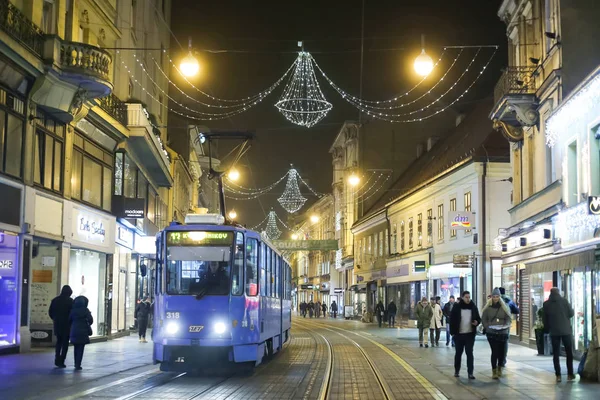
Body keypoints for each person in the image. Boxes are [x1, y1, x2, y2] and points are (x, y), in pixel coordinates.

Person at [543, 287, 575, 383]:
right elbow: (571, 313)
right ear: (558, 292)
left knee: (556, 354)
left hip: (554, 332)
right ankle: (570, 374)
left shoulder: (546, 304)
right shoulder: (564, 301)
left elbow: (545, 319)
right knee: (569, 352)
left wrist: (547, 329)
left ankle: (558, 375)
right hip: (566, 331)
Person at [481, 288, 512, 379]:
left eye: (497, 296)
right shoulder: (488, 307)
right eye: (494, 296)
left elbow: (508, 318)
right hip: (491, 332)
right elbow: (484, 318)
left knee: (502, 352)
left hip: (503, 332)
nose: (495, 298)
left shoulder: (505, 306)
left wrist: (505, 326)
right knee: (494, 351)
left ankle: (500, 368)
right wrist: (487, 327)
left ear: (500, 297)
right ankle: (494, 371)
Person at [450, 291, 481, 379]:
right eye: (466, 297)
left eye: (469, 297)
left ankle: (470, 372)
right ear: (462, 297)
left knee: (469, 353)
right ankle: (457, 370)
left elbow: (478, 318)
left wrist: (477, 322)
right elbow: (452, 319)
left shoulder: (473, 307)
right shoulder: (457, 307)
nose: (468, 299)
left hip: (470, 335)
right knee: (458, 353)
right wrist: (453, 333)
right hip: (459, 335)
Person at [48, 285, 73, 368]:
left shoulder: (55, 300)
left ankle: (57, 358)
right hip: (67, 324)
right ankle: (62, 360)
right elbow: (72, 313)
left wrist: (55, 319)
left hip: (57, 323)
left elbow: (50, 312)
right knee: (65, 343)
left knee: (59, 342)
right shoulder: (70, 301)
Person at [69, 296, 93, 371]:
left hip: (74, 330)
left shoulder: (73, 310)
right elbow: (91, 320)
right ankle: (78, 364)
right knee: (81, 348)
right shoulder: (86, 310)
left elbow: (69, 320)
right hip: (83, 331)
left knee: (76, 347)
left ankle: (76, 362)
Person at [499, 287, 519, 368]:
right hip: (506, 325)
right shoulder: (508, 300)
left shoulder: (494, 300)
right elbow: (517, 310)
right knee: (505, 342)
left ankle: (497, 358)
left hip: (495, 325)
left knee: (496, 343)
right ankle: (503, 360)